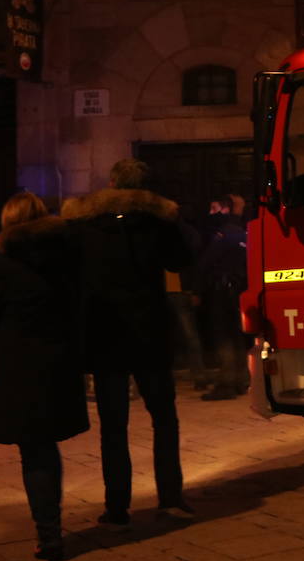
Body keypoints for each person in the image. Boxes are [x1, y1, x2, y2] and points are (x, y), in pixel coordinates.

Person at [61, 159, 195, 527]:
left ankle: (117, 505)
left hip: (105, 335)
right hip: (148, 332)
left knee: (113, 425)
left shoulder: (85, 226)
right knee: (164, 419)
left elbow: (68, 269)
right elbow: (182, 259)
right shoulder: (156, 223)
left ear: (111, 182)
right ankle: (169, 497)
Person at [0, 191, 88, 561]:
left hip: (21, 368)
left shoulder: (3, 266)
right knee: (47, 447)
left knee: (34, 450)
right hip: (58, 363)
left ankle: (49, 535)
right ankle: (51, 531)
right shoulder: (68, 259)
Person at [197, 195, 249, 401]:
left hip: (223, 290)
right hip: (239, 289)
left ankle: (226, 382)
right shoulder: (243, 232)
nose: (211, 213)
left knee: (224, 336)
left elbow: (206, 262)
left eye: (214, 208)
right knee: (238, 335)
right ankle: (241, 379)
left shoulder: (223, 234)